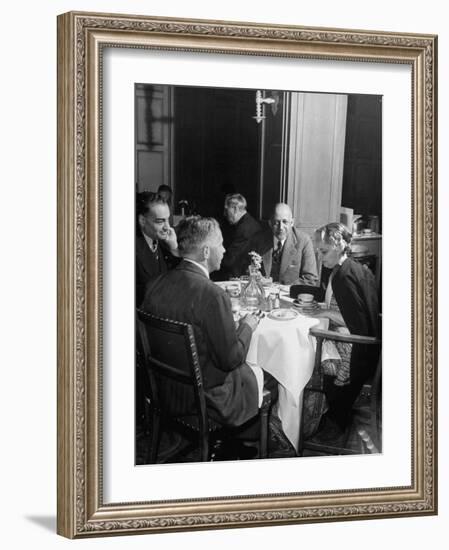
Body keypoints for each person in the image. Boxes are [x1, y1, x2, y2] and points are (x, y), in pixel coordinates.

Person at [141, 216, 277, 430]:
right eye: (220, 244)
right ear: (205, 252)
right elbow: (230, 361)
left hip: (163, 390)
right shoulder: (212, 295)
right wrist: (247, 326)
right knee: (270, 374)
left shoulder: (154, 284)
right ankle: (253, 439)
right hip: (204, 400)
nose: (224, 250)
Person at [312, 222, 380, 435]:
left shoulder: (343, 276)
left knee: (308, 352)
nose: (320, 256)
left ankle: (328, 415)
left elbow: (357, 325)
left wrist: (323, 313)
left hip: (360, 353)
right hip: (372, 347)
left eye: (323, 251)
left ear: (339, 246)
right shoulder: (351, 267)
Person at [248, 203, 318, 285]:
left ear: (292, 222)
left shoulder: (304, 241)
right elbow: (247, 270)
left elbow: (310, 279)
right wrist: (255, 275)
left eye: (285, 222)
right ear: (270, 223)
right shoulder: (259, 239)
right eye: (276, 222)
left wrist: (281, 287)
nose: (280, 227)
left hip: (289, 295)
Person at [135, 191, 178, 306]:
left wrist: (174, 248)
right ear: (142, 221)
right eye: (160, 221)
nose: (167, 227)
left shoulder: (165, 241)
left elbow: (181, 278)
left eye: (168, 219)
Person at [213, 193, 262, 280]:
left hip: (238, 277)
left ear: (235, 209)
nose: (224, 214)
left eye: (226, 210)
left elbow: (229, 261)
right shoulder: (245, 223)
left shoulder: (244, 229)